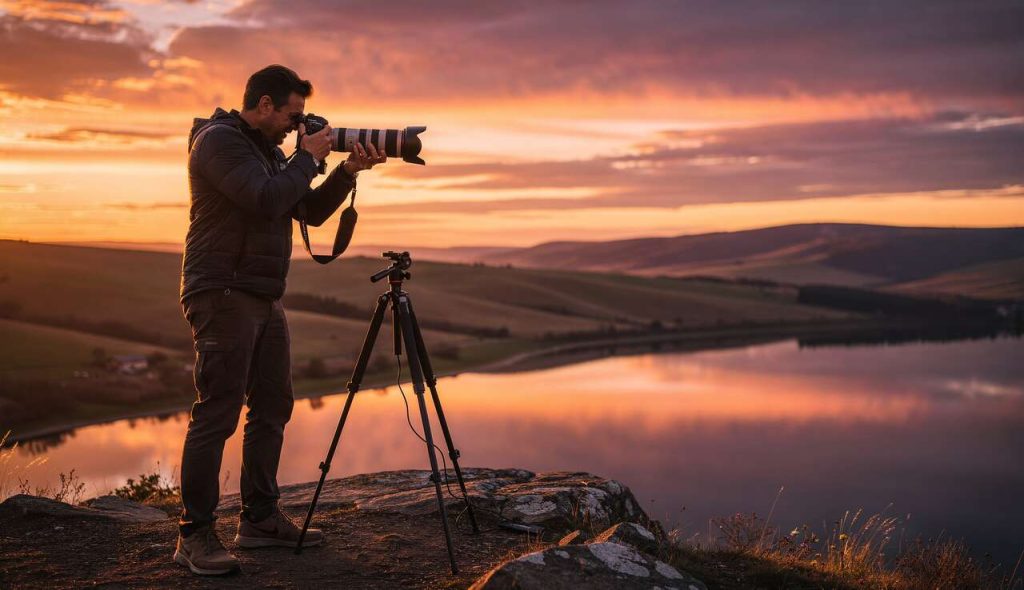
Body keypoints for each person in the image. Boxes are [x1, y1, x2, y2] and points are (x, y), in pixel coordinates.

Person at [174, 64, 387, 576]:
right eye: (292, 114)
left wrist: (345, 172)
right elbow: (266, 198)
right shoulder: (218, 142)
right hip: (222, 292)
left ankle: (260, 519)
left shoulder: (270, 152)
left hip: (264, 294)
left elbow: (307, 212)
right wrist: (307, 158)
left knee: (272, 406)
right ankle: (194, 535)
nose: (298, 125)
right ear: (264, 104)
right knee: (219, 412)